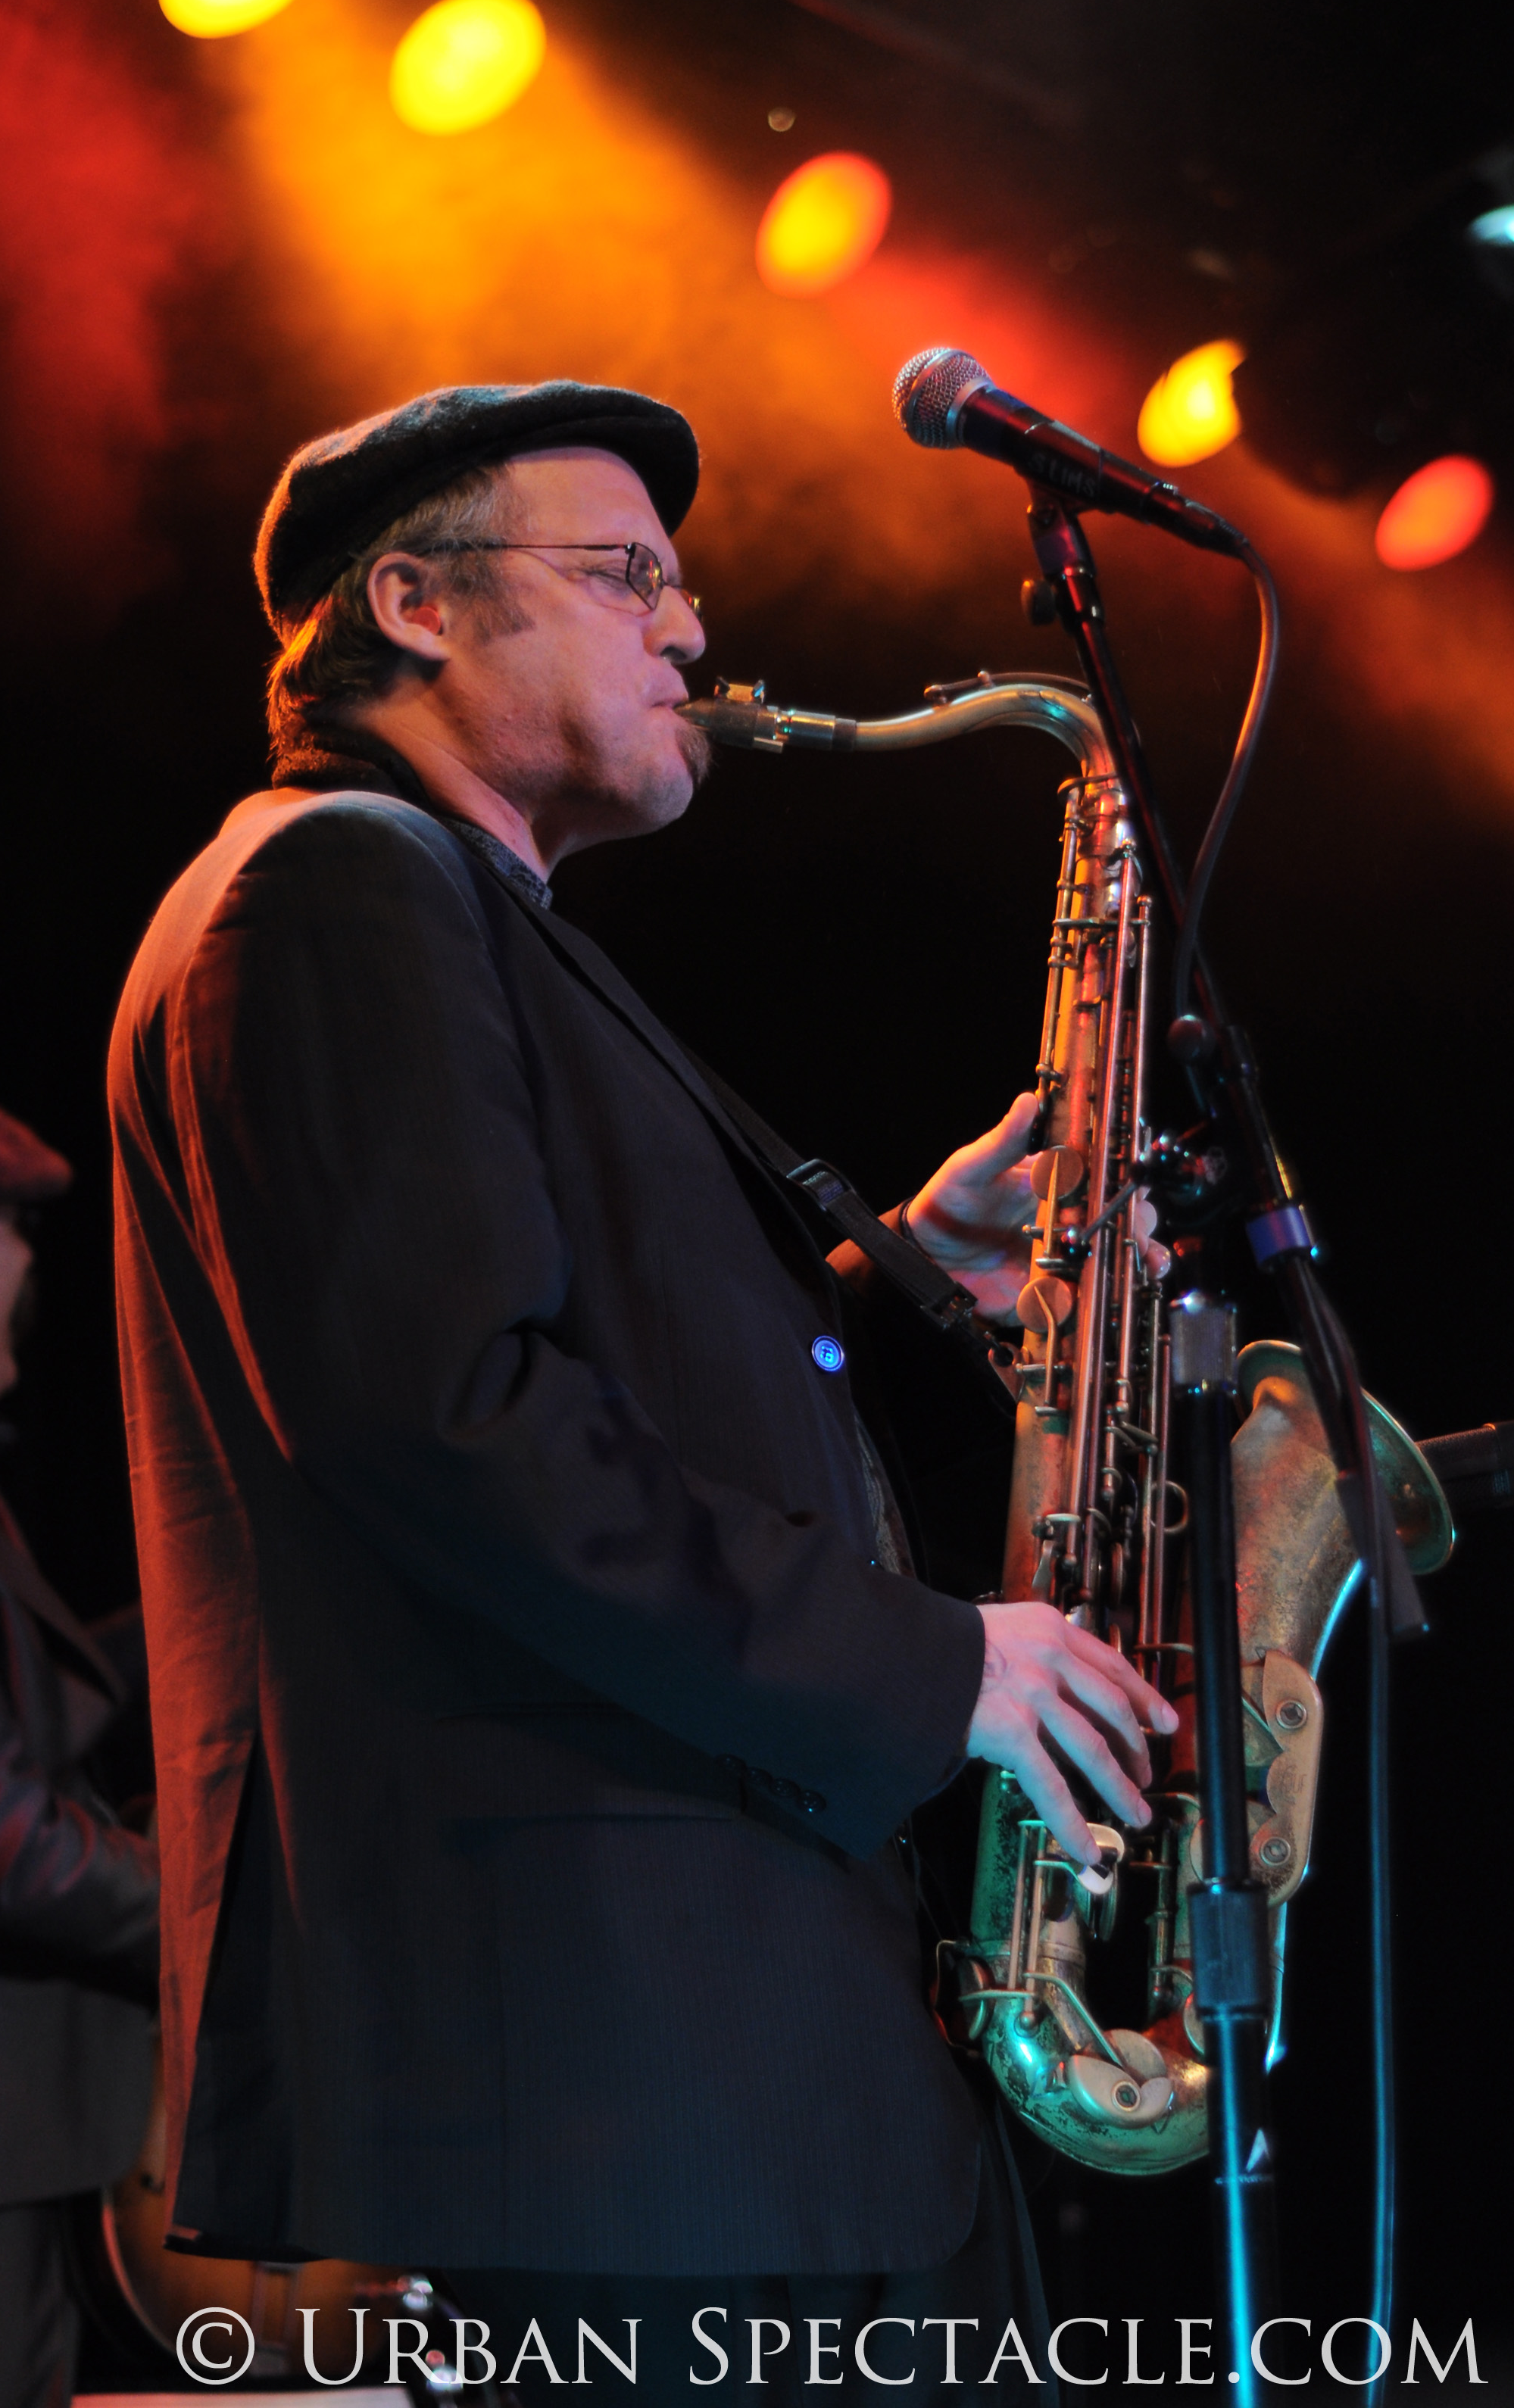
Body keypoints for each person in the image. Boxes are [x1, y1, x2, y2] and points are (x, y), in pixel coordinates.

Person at [109, 381, 1175, 2400]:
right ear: (416, 603)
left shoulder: (456, 914)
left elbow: (580, 1374)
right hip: (618, 2080)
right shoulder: (334, 884)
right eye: (625, 577)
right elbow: (451, 1427)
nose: (689, 630)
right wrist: (943, 1665)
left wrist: (896, 1275)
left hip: (703, 2069)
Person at [0, 1092, 159, 2408]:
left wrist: (224, 1607)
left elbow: (31, 1693)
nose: (29, 1298)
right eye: (19, 1255)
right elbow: (0, 1843)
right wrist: (212, 1914)